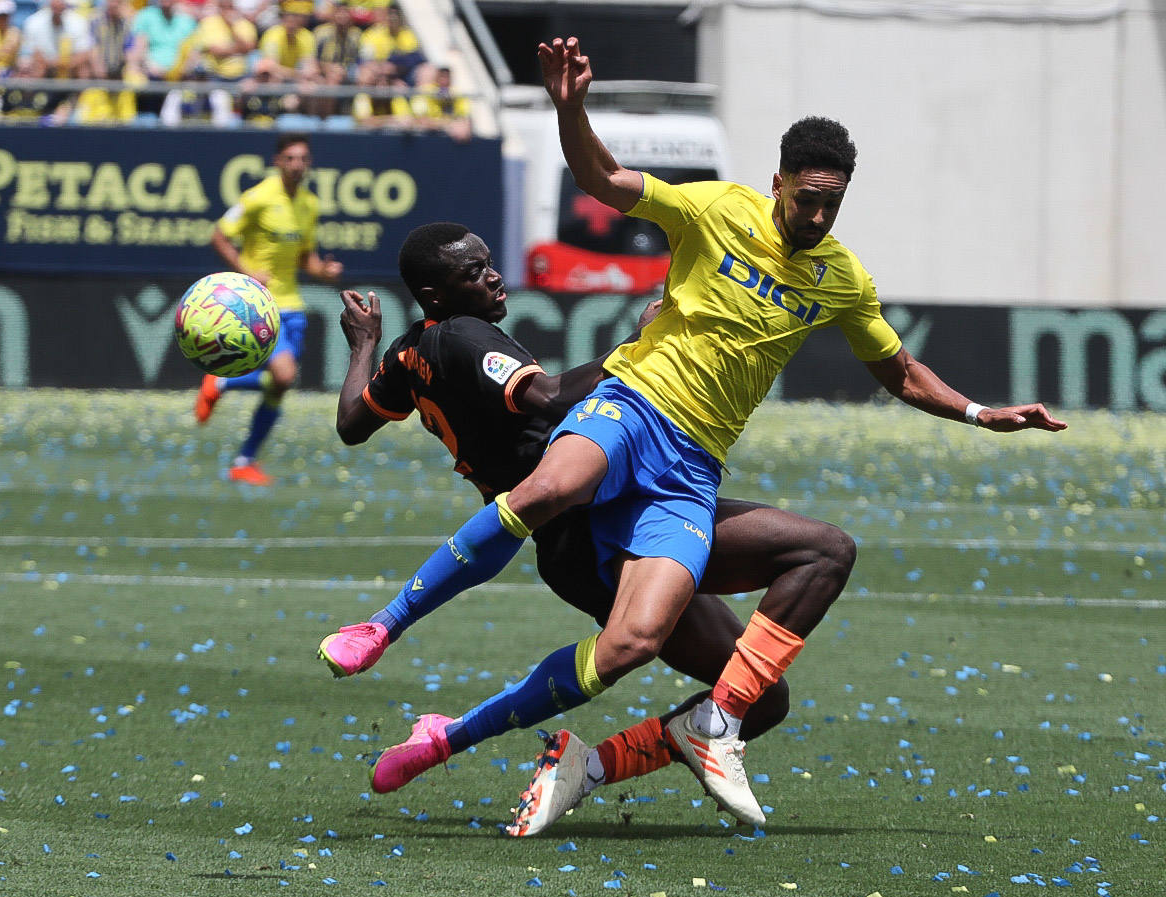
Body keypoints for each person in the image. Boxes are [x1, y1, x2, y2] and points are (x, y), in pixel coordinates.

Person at [333, 35, 1068, 827]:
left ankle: (530, 741)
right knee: (557, 482)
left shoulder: (843, 279)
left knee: (638, 648)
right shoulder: (716, 208)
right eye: (805, 198)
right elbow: (604, 179)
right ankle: (383, 624)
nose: (816, 216)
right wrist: (569, 106)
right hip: (635, 406)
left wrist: (977, 412)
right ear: (776, 181)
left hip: (689, 470)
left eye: (832, 204)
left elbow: (895, 369)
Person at [321, 221, 855, 828]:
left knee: (760, 694)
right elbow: (549, 398)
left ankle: (494, 746)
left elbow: (352, 423)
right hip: (585, 525)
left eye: (489, 262)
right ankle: (424, 691)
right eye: (473, 272)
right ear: (437, 296)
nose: (493, 275)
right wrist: (637, 340)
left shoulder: (408, 353)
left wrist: (364, 343)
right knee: (649, 643)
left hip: (603, 516)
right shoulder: (463, 336)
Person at [194, 133, 343, 485]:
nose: (297, 164)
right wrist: (246, 272)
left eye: (303, 158)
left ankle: (244, 460)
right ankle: (221, 382)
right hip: (258, 306)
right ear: (278, 161)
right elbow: (218, 234)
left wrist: (323, 270)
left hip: (293, 305)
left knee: (280, 387)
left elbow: (306, 257)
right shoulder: (258, 197)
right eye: (290, 158)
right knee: (284, 376)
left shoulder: (309, 204)